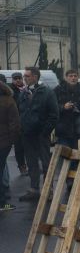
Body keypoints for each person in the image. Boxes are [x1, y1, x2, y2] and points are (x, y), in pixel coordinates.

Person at [17, 67, 58, 201]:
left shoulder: (47, 92)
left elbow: (54, 115)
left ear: (35, 76)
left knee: (46, 163)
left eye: (27, 76)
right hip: (27, 135)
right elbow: (20, 112)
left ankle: (48, 191)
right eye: (24, 76)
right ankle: (34, 189)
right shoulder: (23, 93)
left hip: (41, 135)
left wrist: (44, 132)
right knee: (32, 163)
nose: (24, 78)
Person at [0, 81, 21, 211]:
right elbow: (15, 123)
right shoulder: (8, 101)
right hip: (4, 142)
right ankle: (2, 203)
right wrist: (13, 140)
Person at [54, 69, 80, 150]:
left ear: (78, 77)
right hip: (63, 129)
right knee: (64, 154)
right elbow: (51, 107)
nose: (73, 78)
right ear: (66, 78)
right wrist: (63, 107)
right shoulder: (58, 90)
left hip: (77, 129)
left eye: (75, 76)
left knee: (76, 154)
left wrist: (78, 109)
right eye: (71, 76)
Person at [9, 72, 28, 176]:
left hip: (27, 122)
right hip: (17, 123)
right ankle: (22, 166)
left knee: (28, 146)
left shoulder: (27, 89)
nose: (17, 80)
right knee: (19, 147)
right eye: (15, 79)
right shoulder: (11, 91)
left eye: (19, 78)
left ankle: (28, 165)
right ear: (12, 80)